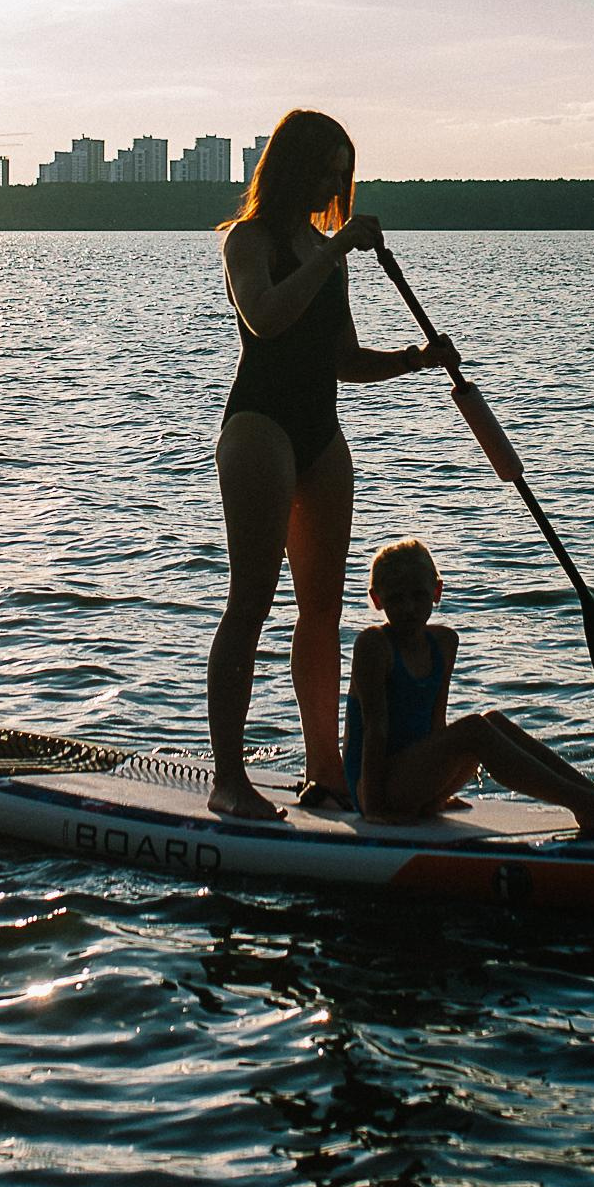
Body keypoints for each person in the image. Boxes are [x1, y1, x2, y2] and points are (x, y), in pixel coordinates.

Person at [206, 108, 454, 820]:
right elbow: (266, 318)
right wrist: (335, 246)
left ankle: (325, 772)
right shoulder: (247, 242)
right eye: (323, 170)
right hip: (258, 429)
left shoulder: (327, 252)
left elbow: (341, 360)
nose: (333, 184)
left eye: (342, 174)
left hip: (321, 433)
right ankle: (230, 779)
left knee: (320, 611)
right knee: (250, 602)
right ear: (291, 167)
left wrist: (416, 360)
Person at [348, 537, 594, 838]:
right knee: (475, 730)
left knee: (493, 721)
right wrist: (373, 809)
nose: (409, 608)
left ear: (436, 592)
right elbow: (376, 730)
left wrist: (437, 787)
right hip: (374, 786)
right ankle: (591, 809)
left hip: (413, 780)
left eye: (418, 596)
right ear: (377, 600)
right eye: (396, 599)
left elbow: (435, 723)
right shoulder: (374, 645)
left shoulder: (444, 642)